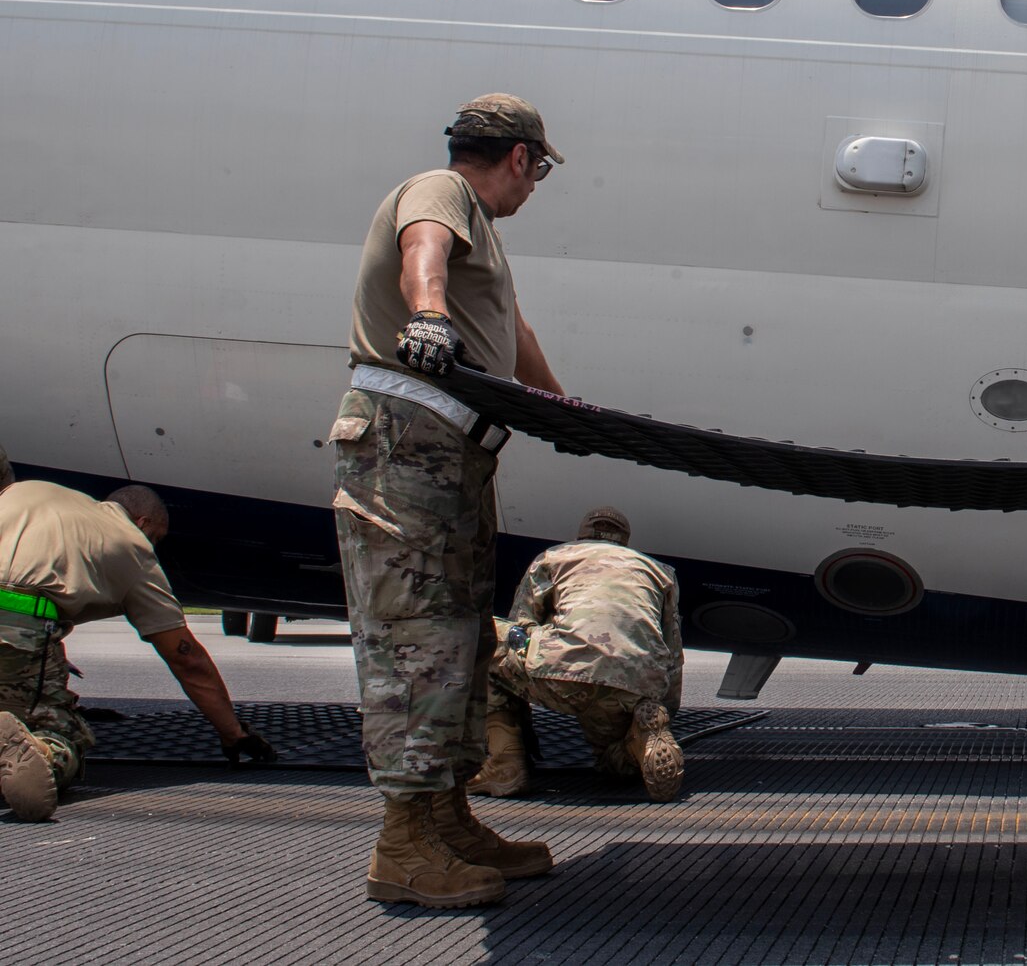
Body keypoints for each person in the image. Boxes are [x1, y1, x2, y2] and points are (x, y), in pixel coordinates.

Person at [328, 94, 567, 908]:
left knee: (463, 635)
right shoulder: (442, 192)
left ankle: (449, 819)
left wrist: (564, 412)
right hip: (406, 445)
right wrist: (428, 313)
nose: (533, 189)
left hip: (453, 455)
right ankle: (403, 846)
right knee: (417, 635)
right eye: (538, 173)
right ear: (521, 159)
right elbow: (420, 248)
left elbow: (517, 334)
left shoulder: (487, 245)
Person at [0, 474, 275, 820]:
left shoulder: (29, 490)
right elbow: (184, 656)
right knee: (63, 732)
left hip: (21, 629)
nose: (154, 546)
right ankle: (41, 755)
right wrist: (233, 733)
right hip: (20, 629)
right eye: (156, 537)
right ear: (143, 522)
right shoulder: (133, 548)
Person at [467, 506, 684, 802]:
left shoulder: (554, 558)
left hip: (564, 674)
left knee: (483, 638)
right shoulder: (660, 573)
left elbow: (522, 624)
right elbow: (672, 655)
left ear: (581, 537)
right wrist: (665, 710)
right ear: (625, 542)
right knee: (613, 767)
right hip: (634, 687)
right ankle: (637, 739)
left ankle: (505, 765)